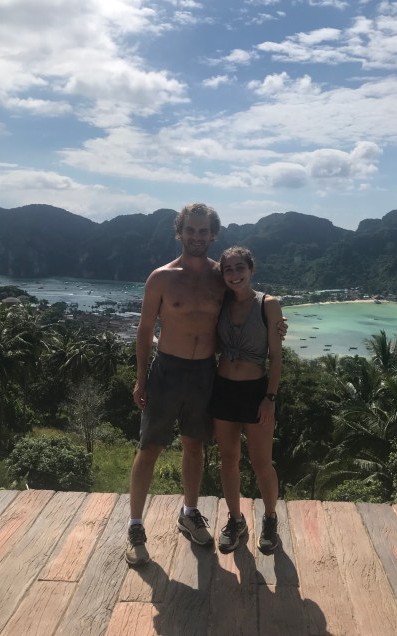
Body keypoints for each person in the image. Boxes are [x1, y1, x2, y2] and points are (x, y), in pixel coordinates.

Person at [126, 204, 286, 566]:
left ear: (213, 235)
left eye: (203, 231)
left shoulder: (221, 277)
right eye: (190, 230)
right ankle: (135, 527)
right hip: (167, 370)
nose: (196, 237)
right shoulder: (161, 278)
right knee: (149, 446)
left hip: (205, 373)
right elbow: (145, 330)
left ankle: (189, 512)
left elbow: (249, 301)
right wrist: (140, 379)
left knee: (194, 446)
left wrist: (277, 322)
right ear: (179, 232)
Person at [211, 246, 282, 553]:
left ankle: (270, 518)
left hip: (256, 391)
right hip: (223, 388)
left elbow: (276, 357)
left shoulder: (268, 304)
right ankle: (236, 519)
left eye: (240, 267)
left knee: (261, 462)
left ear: (251, 269)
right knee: (228, 459)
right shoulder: (221, 302)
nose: (234, 274)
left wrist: (270, 398)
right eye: (228, 269)